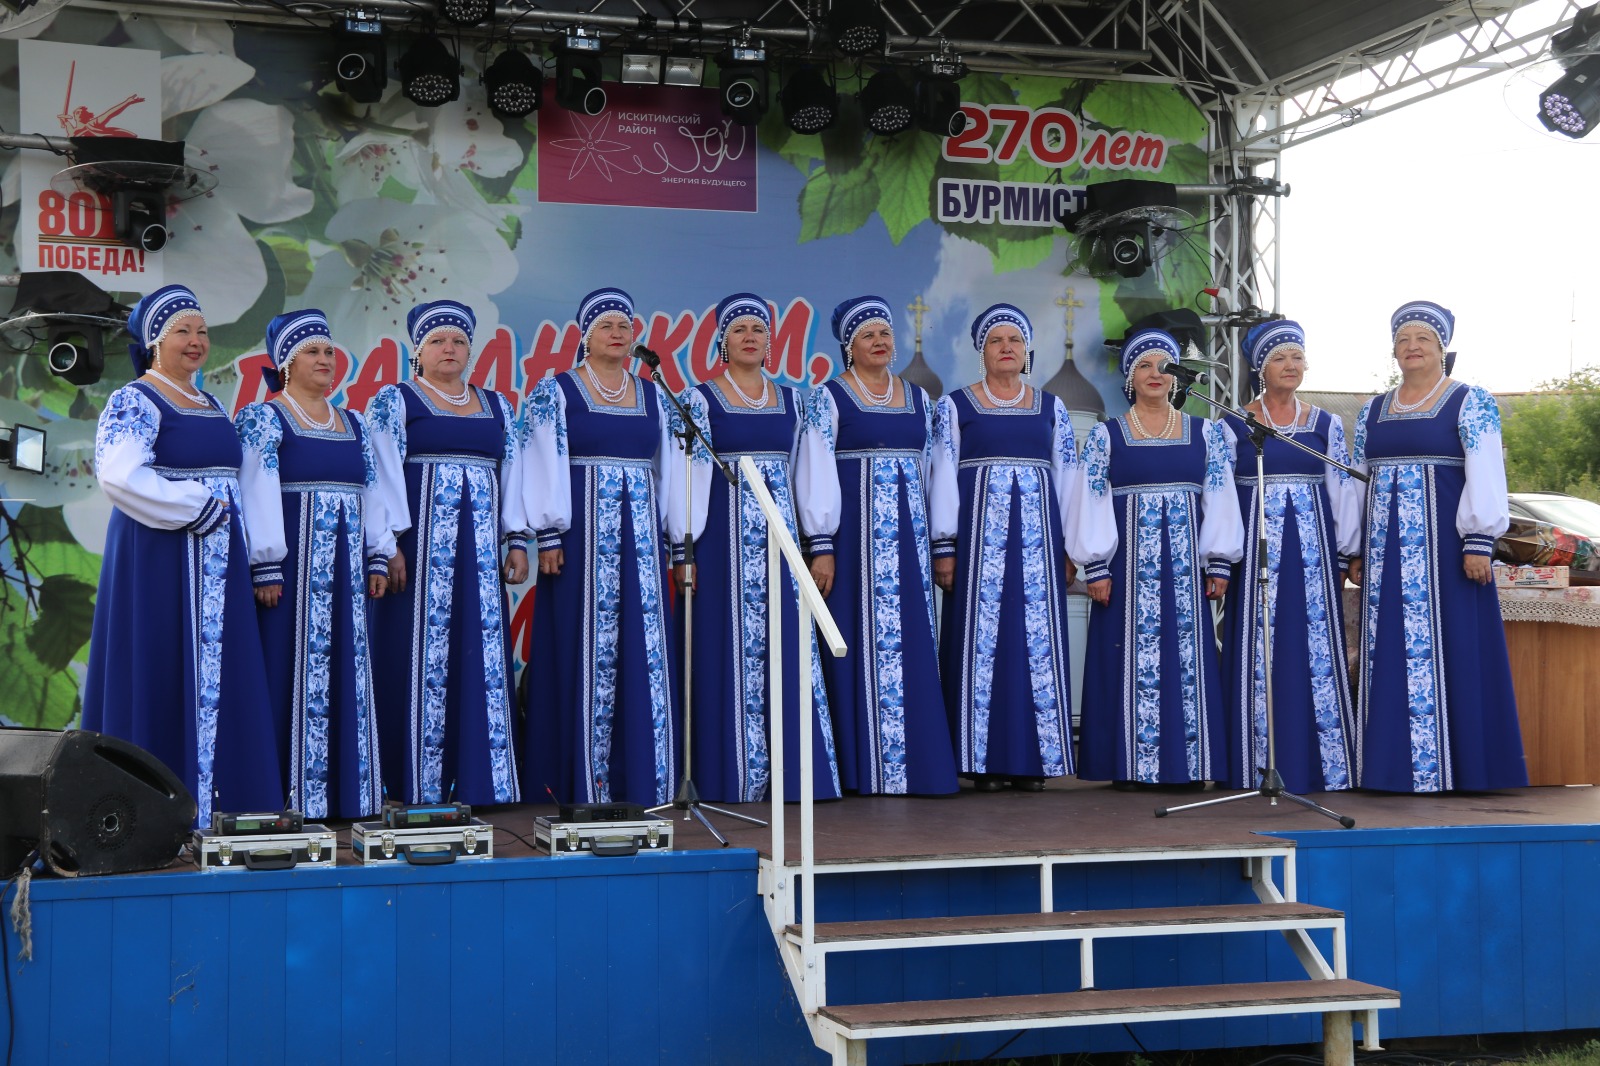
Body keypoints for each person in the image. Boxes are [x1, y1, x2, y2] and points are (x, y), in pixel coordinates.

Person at [85, 284, 282, 826]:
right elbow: (119, 474)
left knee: (222, 675)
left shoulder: (211, 402)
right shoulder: (135, 399)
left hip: (218, 559)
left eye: (202, 331)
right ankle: (154, 809)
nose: (196, 341)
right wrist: (197, 506)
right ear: (154, 342)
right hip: (161, 555)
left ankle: (223, 801)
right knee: (161, 665)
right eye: (182, 332)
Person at [663, 294, 841, 803]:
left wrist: (820, 543)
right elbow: (686, 477)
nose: (749, 337)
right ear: (723, 342)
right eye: (739, 329)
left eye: (758, 330)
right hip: (719, 543)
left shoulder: (795, 402)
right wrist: (684, 550)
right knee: (723, 646)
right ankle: (730, 773)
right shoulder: (698, 401)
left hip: (780, 544)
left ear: (770, 342)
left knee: (787, 646)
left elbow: (810, 474)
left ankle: (794, 775)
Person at [1351, 301, 1526, 792]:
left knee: (1455, 648)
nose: (1412, 347)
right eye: (1403, 340)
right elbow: (1358, 483)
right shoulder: (1371, 411)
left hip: (1447, 554)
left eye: (1423, 339)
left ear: (1442, 348)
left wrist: (1478, 540)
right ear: (1393, 351)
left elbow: (1486, 470)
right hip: (1386, 557)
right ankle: (1391, 770)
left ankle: (1461, 768)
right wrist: (1356, 547)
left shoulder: (1469, 401)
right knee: (1387, 651)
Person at [795, 296, 959, 796]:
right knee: (850, 642)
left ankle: (916, 766)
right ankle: (859, 767)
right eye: (868, 334)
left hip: (908, 545)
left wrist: (941, 543)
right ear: (849, 345)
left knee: (912, 642)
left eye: (885, 332)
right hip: (852, 545)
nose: (880, 341)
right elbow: (815, 470)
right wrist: (822, 544)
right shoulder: (828, 398)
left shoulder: (920, 400)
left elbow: (936, 473)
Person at [366, 300, 527, 806]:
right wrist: (389, 544)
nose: (449, 349)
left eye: (458, 341)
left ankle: (480, 779)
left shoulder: (497, 406)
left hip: (479, 559)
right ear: (418, 351)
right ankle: (411, 779)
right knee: (414, 655)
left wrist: (516, 539)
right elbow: (380, 474)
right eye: (437, 341)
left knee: (479, 654)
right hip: (416, 556)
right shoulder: (396, 401)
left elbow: (513, 474)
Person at [522, 288, 679, 806]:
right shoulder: (557, 391)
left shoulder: (655, 394)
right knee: (583, 647)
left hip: (641, 542)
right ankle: (582, 778)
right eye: (606, 325)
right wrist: (549, 533)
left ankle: (643, 777)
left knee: (642, 647)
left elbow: (669, 471)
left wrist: (674, 541)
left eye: (625, 325)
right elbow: (541, 460)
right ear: (585, 336)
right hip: (579, 540)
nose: (617, 333)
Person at [1068, 328, 1243, 789]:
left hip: (1183, 572)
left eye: (1163, 365)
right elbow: (1091, 500)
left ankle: (1189, 765)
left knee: (1185, 660)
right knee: (1125, 659)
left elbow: (1220, 499)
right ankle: (1128, 766)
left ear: (1176, 376)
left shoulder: (1204, 433)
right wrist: (1096, 566)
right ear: (1129, 377)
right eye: (1143, 365)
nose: (1154, 373)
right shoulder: (1107, 435)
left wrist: (1218, 560)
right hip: (1125, 573)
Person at [235, 309, 392, 820]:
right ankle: (286, 795)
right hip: (291, 576)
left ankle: (347, 795)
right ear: (286, 362)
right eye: (312, 352)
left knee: (348, 670)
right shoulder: (265, 418)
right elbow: (255, 491)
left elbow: (372, 493)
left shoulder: (355, 422)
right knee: (286, 671)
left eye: (328, 351)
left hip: (346, 576)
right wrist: (266, 565)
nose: (325, 359)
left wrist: (378, 553)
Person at [929, 304, 1076, 792]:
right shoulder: (955, 407)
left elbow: (1069, 481)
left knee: (1034, 644)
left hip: (1038, 550)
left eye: (1015, 340)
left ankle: (1034, 761)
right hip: (978, 550)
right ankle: (981, 762)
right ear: (983, 351)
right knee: (980, 644)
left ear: (1027, 350)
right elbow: (942, 478)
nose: (1006, 347)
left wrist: (1070, 549)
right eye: (996, 340)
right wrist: (944, 546)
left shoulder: (1051, 407)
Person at [1218, 320, 1362, 794]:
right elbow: (1219, 496)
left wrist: (1345, 554)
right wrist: (1220, 558)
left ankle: (1323, 766)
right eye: (1280, 358)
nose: (1291, 365)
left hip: (1312, 559)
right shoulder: (1232, 425)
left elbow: (1341, 491)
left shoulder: (1324, 425)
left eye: (1297, 357)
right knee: (1259, 650)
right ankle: (1256, 763)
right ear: (1260, 369)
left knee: (1312, 649)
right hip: (1255, 559)